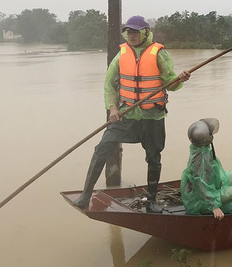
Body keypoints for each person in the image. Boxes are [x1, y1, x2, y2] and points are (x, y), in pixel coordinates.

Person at [72, 15, 191, 212]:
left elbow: (171, 82)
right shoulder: (121, 54)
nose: (132, 35)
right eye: (129, 31)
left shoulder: (159, 53)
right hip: (126, 116)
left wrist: (181, 79)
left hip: (152, 116)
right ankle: (85, 195)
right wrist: (112, 108)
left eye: (136, 31)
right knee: (102, 148)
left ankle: (151, 200)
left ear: (145, 32)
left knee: (153, 157)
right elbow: (109, 84)